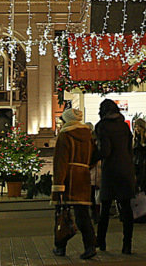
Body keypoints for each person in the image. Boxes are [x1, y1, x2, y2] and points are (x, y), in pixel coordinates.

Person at [52, 108, 97, 259]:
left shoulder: (65, 135)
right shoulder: (88, 135)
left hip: (68, 178)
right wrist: (85, 167)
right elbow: (95, 155)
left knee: (61, 214)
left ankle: (60, 246)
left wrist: (58, 185)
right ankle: (90, 246)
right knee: (83, 214)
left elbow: (61, 161)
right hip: (83, 178)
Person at [95, 99, 137, 254]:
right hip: (125, 170)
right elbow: (129, 149)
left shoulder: (102, 126)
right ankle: (127, 245)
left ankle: (101, 242)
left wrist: (93, 157)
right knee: (126, 209)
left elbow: (105, 151)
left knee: (105, 209)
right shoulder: (124, 126)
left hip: (110, 171)